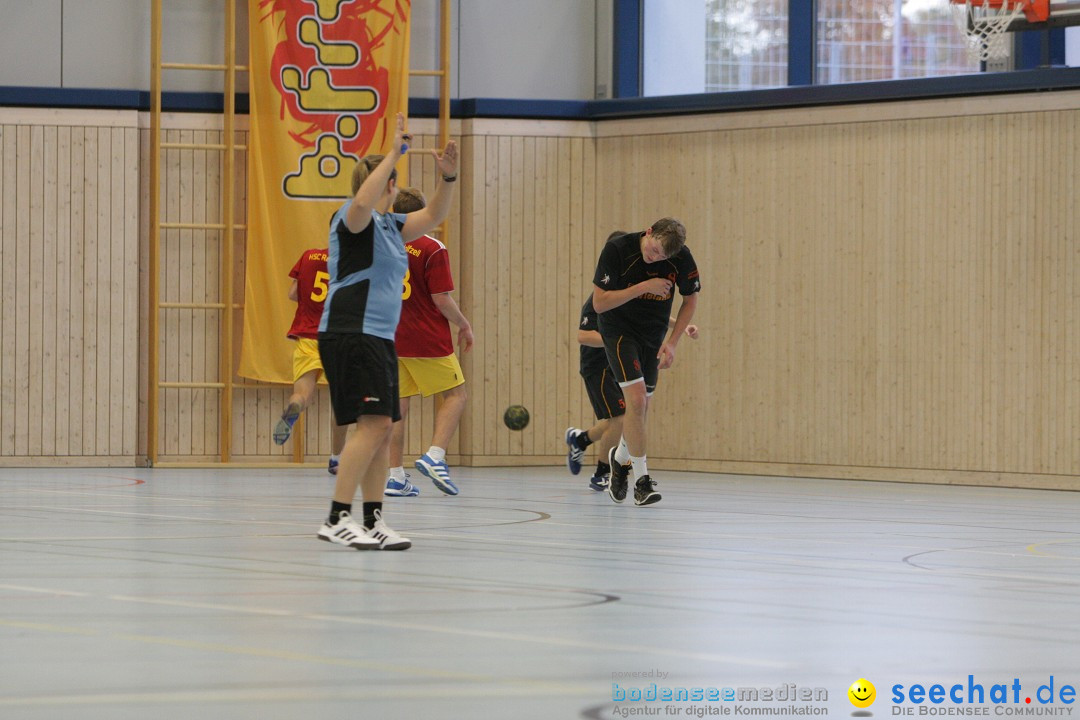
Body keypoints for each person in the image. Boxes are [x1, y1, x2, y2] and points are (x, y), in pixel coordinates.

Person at [315, 112, 458, 551]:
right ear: (386, 184)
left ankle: (373, 521)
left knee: (379, 428)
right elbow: (361, 203)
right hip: (350, 331)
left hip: (379, 337)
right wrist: (395, 150)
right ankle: (337, 517)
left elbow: (433, 213)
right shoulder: (351, 220)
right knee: (374, 426)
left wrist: (448, 179)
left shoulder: (392, 227)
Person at [591, 219, 700, 506]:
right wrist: (643, 287)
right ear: (648, 232)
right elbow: (600, 303)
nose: (654, 258)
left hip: (652, 335)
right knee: (637, 403)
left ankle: (620, 459)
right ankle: (641, 481)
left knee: (641, 409)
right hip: (619, 331)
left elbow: (690, 300)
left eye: (661, 257)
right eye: (652, 251)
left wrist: (673, 342)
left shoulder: (681, 259)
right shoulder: (617, 250)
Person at [384, 187, 474, 497]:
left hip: (393, 337)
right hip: (427, 337)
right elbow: (441, 298)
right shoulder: (432, 247)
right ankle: (435, 456)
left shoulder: (385, 243)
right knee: (456, 395)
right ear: (425, 213)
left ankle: (395, 476)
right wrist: (463, 324)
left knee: (398, 407)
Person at [566, 294, 699, 492]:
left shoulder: (632, 294)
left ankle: (580, 439)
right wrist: (617, 340)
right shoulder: (599, 301)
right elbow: (583, 336)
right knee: (619, 418)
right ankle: (601, 474)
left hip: (621, 364)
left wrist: (682, 326)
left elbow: (653, 316)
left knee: (625, 418)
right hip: (597, 366)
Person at [272, 243, 347, 474]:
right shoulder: (352, 262)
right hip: (338, 337)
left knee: (302, 392)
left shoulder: (309, 256)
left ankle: (295, 406)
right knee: (341, 404)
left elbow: (293, 293)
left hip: (307, 335)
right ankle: (336, 459)